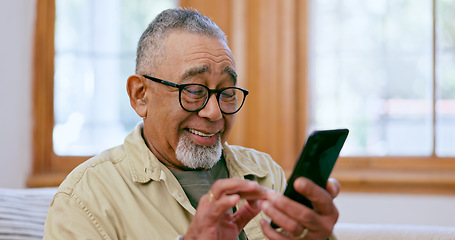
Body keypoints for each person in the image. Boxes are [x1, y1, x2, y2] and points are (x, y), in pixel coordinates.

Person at [44, 8, 340, 240]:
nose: (214, 113)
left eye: (225, 92)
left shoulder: (265, 175)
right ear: (140, 95)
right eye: (194, 91)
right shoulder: (86, 198)